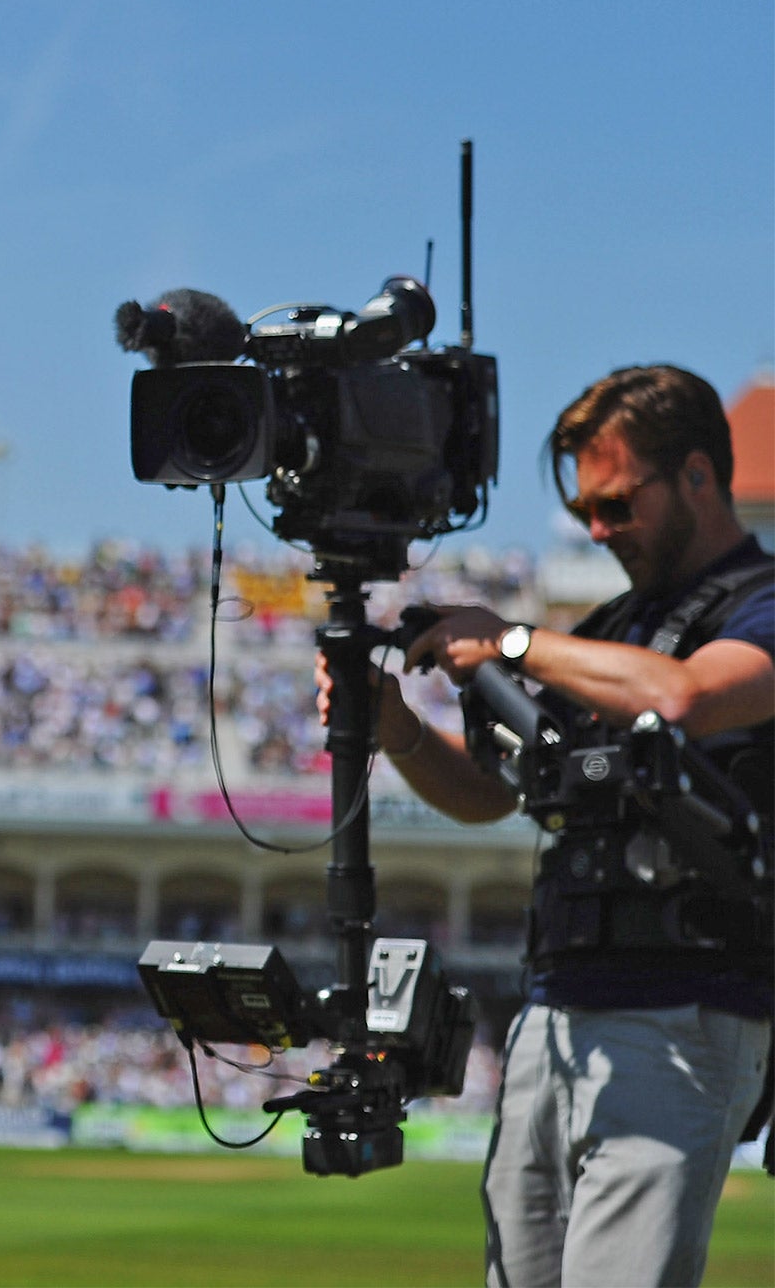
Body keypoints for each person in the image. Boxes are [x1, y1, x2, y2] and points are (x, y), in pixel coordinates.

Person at [318, 364, 772, 1287]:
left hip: (684, 1007)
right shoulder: (613, 623)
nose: (596, 531)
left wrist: (514, 642)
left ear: (696, 474)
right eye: (585, 511)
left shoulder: (758, 600)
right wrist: (396, 725)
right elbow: (492, 796)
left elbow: (683, 697)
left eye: (614, 504)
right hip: (556, 1008)